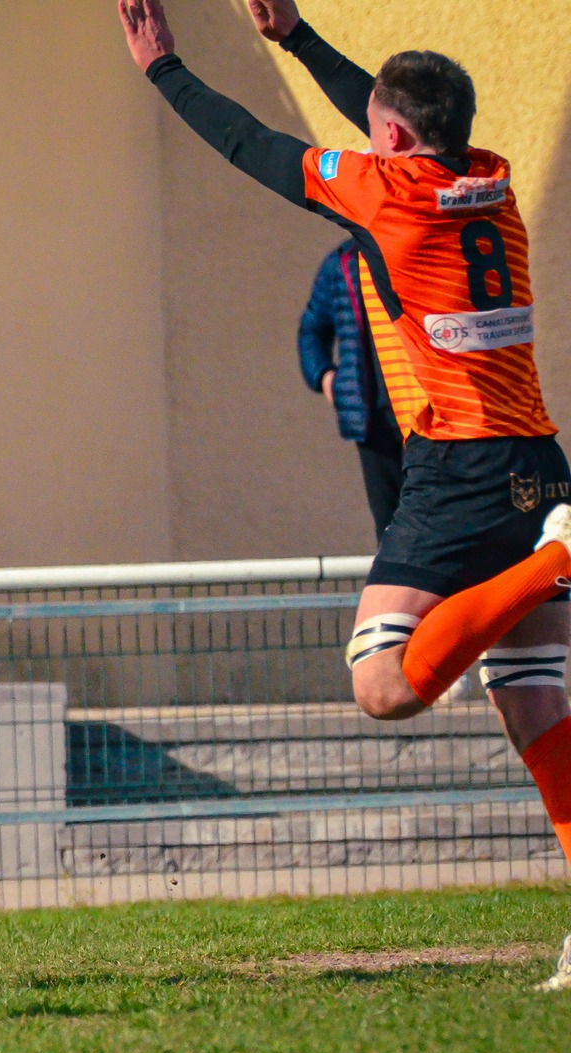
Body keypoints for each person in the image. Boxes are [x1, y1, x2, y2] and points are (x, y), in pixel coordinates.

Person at [116, 0, 571, 992]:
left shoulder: (387, 198)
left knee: (383, 681)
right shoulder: (485, 179)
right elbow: (390, 114)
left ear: (392, 141)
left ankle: (556, 559)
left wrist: (164, 71)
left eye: (377, 129)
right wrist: (294, 39)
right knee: (537, 710)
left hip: (460, 471)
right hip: (538, 460)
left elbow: (251, 144)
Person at [298, 240, 407, 538]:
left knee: (435, 518)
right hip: (371, 420)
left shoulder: (411, 252)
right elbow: (312, 329)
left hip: (423, 415)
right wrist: (324, 376)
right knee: (388, 523)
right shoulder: (341, 262)